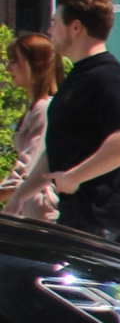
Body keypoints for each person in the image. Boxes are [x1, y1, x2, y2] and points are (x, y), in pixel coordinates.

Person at [44, 0, 120, 246]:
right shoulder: (78, 77)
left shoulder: (110, 78)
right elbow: (59, 148)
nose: (50, 30)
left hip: (100, 221)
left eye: (55, 23)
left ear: (75, 27)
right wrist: (20, 196)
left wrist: (74, 177)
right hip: (79, 216)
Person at [3, 30, 60, 223]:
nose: (8, 68)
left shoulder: (44, 109)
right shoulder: (35, 108)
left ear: (32, 65)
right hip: (31, 207)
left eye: (14, 61)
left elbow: (26, 168)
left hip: (41, 212)